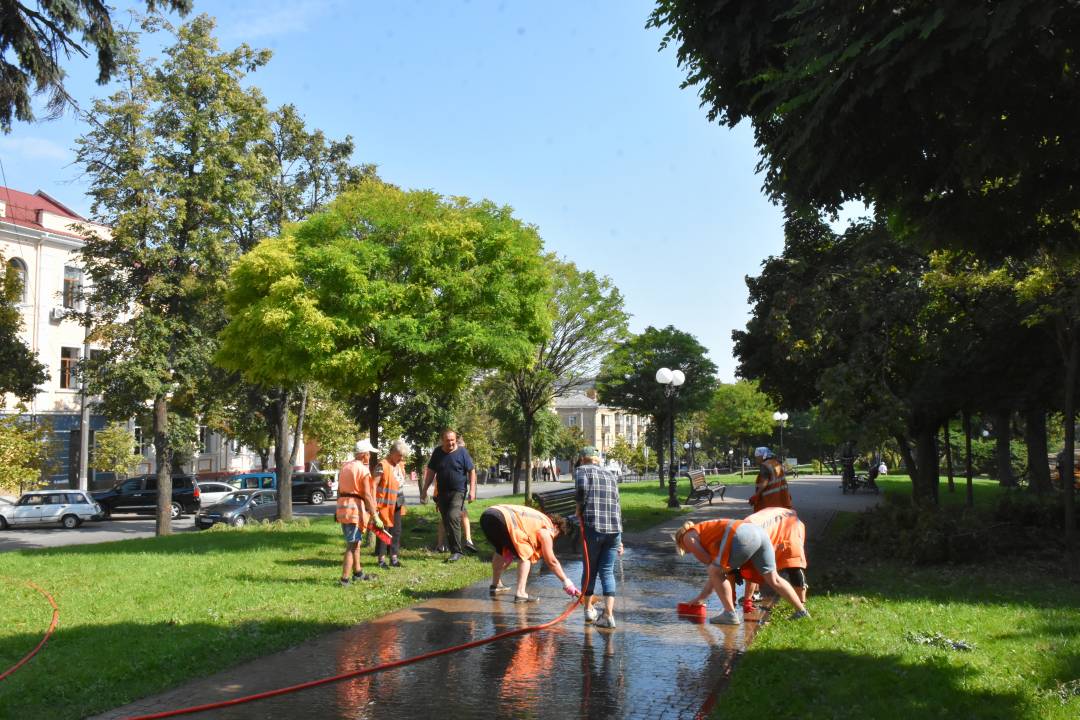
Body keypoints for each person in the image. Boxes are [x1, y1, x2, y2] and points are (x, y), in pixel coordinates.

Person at [675, 518, 808, 624]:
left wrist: (701, 597)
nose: (687, 551)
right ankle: (801, 612)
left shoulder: (687, 537)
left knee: (715, 570)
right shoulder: (704, 532)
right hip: (759, 532)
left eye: (684, 549)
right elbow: (716, 569)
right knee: (774, 578)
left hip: (741, 534)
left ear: (680, 541)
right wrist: (701, 597)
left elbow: (713, 568)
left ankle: (730, 614)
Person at [479, 503, 580, 602]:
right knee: (526, 553)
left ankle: (496, 584)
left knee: (501, 549)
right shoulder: (548, 526)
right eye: (557, 535)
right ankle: (521, 593)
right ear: (557, 527)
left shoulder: (538, 519)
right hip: (504, 518)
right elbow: (551, 561)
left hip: (488, 515)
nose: (554, 537)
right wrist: (566, 582)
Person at [574, 446, 623, 629]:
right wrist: (621, 538)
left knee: (590, 569)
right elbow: (617, 504)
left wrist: (579, 509)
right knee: (607, 571)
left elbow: (581, 491)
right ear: (598, 459)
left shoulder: (581, 471)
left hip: (593, 527)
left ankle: (588, 610)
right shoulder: (611, 475)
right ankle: (608, 615)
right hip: (614, 530)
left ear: (582, 459)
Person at [735, 506, 808, 614]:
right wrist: (747, 601)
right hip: (771, 525)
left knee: (793, 562)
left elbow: (752, 568)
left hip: (790, 524)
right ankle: (799, 608)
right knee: (758, 566)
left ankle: (801, 606)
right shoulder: (741, 533)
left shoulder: (748, 538)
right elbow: (752, 569)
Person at [421, 428, 477, 563]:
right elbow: (431, 472)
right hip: (442, 493)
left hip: (458, 491)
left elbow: (472, 471)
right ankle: (454, 550)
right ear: (442, 441)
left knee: (453, 517)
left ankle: (457, 551)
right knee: (447, 521)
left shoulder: (462, 452)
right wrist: (424, 490)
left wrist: (473, 490)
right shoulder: (437, 452)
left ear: (455, 439)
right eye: (447, 441)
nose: (451, 443)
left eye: (453, 440)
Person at [336, 439, 384, 586]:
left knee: (356, 543)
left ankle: (358, 573)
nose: (369, 456)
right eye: (368, 454)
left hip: (343, 509)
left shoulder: (345, 467)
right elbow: (367, 494)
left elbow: (339, 490)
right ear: (363, 455)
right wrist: (375, 515)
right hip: (353, 510)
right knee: (351, 546)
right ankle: (344, 579)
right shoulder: (362, 470)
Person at [375, 439, 410, 569]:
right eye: (399, 455)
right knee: (384, 531)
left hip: (397, 502)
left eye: (403, 456)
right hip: (384, 504)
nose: (401, 458)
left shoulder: (400, 465)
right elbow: (374, 485)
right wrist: (374, 507)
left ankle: (394, 558)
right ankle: (381, 559)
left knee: (397, 531)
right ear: (392, 453)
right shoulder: (382, 465)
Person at [749, 446, 792, 512]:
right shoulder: (777, 464)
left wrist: (756, 495)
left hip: (769, 501)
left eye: (757, 457)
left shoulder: (765, 465)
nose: (756, 459)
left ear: (763, 456)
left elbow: (764, 483)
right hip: (781, 500)